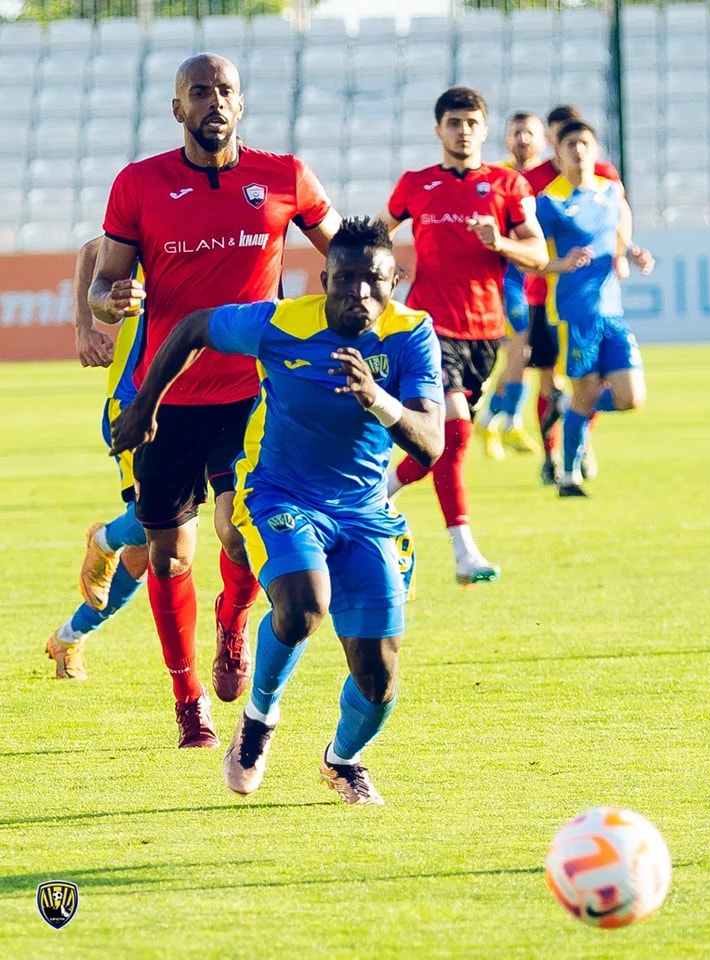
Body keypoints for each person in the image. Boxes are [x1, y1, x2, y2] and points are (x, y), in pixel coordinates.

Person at [110, 217, 445, 805]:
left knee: (378, 676)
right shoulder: (280, 323)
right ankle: (259, 720)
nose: (358, 292)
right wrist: (144, 406)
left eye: (373, 280)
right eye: (344, 278)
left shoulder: (412, 334)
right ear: (324, 279)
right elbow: (193, 326)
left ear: (395, 282)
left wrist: (377, 399)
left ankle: (342, 761)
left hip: (366, 512)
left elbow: (431, 443)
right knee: (303, 605)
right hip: (279, 495)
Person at [87, 53, 342, 748]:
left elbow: (343, 252)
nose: (214, 102)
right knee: (169, 556)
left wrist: (370, 296)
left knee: (238, 533)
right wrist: (108, 302)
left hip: (254, 394)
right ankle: (187, 698)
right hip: (166, 397)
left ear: (241, 101)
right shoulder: (138, 184)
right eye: (199, 92)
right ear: (178, 109)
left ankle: (233, 622)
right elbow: (102, 284)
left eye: (225, 90)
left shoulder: (285, 176)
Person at [376, 86, 548, 585]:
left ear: (485, 129)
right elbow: (379, 232)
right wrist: (383, 268)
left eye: (472, 123)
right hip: (428, 329)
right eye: (454, 122)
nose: (463, 131)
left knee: (443, 443)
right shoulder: (416, 184)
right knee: (452, 428)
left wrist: (502, 243)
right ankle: (464, 551)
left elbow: (538, 254)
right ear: (439, 130)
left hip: (485, 334)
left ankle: (378, 492)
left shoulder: (508, 185)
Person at [523, 104, 654, 486]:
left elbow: (619, 231)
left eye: (585, 143)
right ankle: (568, 477)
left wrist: (631, 251)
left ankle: (564, 404)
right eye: (571, 144)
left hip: (612, 313)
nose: (578, 150)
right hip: (572, 315)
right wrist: (559, 264)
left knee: (631, 398)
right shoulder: (548, 203)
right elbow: (527, 261)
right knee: (586, 391)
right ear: (558, 153)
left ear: (595, 150)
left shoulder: (610, 191)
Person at [46, 237, 149, 680]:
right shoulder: (162, 210)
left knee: (148, 551)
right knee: (154, 523)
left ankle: (68, 638)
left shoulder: (246, 223)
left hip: (211, 398)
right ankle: (105, 539)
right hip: (137, 400)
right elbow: (93, 251)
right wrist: (83, 328)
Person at [476, 111, 547, 461]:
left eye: (529, 132)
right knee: (520, 349)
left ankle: (490, 419)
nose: (523, 139)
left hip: (543, 280)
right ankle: (509, 420)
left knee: (525, 356)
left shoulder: (550, 177)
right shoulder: (496, 178)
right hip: (508, 280)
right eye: (516, 132)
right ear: (505, 138)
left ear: (543, 139)